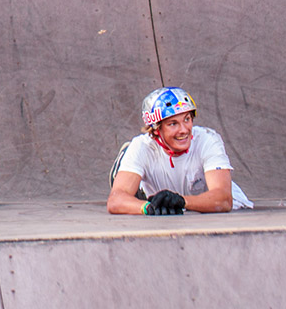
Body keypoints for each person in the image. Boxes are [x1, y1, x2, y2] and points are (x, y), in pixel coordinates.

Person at [107, 87, 252, 215]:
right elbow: (115, 201)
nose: (184, 130)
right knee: (132, 167)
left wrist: (181, 201)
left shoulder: (208, 139)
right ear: (156, 129)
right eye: (173, 124)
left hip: (206, 207)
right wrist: (148, 208)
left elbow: (224, 199)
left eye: (187, 119)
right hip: (159, 200)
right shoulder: (141, 146)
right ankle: (130, 172)